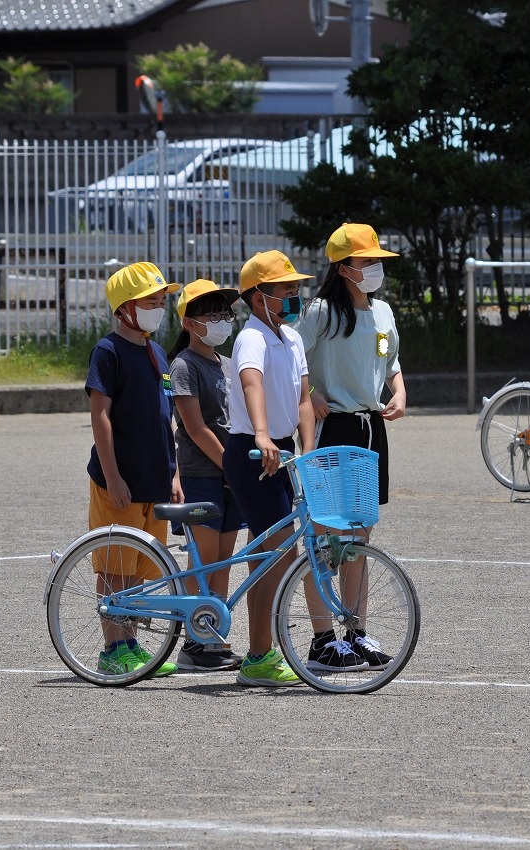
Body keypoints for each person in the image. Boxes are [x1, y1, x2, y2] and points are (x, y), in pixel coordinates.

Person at [294, 222, 403, 669]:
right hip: (332, 426)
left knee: (359, 535)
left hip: (371, 428)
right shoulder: (320, 312)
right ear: (343, 268)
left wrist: (399, 391)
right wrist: (311, 394)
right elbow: (293, 358)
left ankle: (356, 631)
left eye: (378, 260)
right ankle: (322, 640)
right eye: (367, 261)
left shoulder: (383, 313)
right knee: (323, 535)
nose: (375, 268)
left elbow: (390, 360)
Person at [221, 250, 316, 687]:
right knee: (274, 555)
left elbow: (302, 398)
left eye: (296, 288)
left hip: (283, 449)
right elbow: (250, 382)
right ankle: (259, 655)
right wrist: (261, 434)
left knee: (276, 554)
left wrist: (309, 448)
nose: (295, 295)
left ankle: (262, 650)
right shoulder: (251, 337)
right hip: (251, 450)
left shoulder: (291, 338)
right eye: (286, 290)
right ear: (259, 297)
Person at [85, 260, 183, 678]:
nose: (159, 308)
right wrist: (113, 476)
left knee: (141, 569)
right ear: (124, 307)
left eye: (163, 300)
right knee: (113, 567)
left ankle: (133, 645)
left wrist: (174, 474)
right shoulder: (108, 352)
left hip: (154, 480)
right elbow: (100, 416)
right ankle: (114, 648)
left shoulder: (157, 352)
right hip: (119, 480)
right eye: (151, 301)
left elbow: (168, 418)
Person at [168, 278, 246, 672]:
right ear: (188, 323)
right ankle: (193, 642)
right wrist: (229, 464)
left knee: (224, 560)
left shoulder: (228, 363)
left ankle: (211, 636)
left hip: (229, 474)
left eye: (224, 313)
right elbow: (196, 428)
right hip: (204, 473)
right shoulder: (183, 365)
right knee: (205, 559)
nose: (220, 321)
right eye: (209, 314)